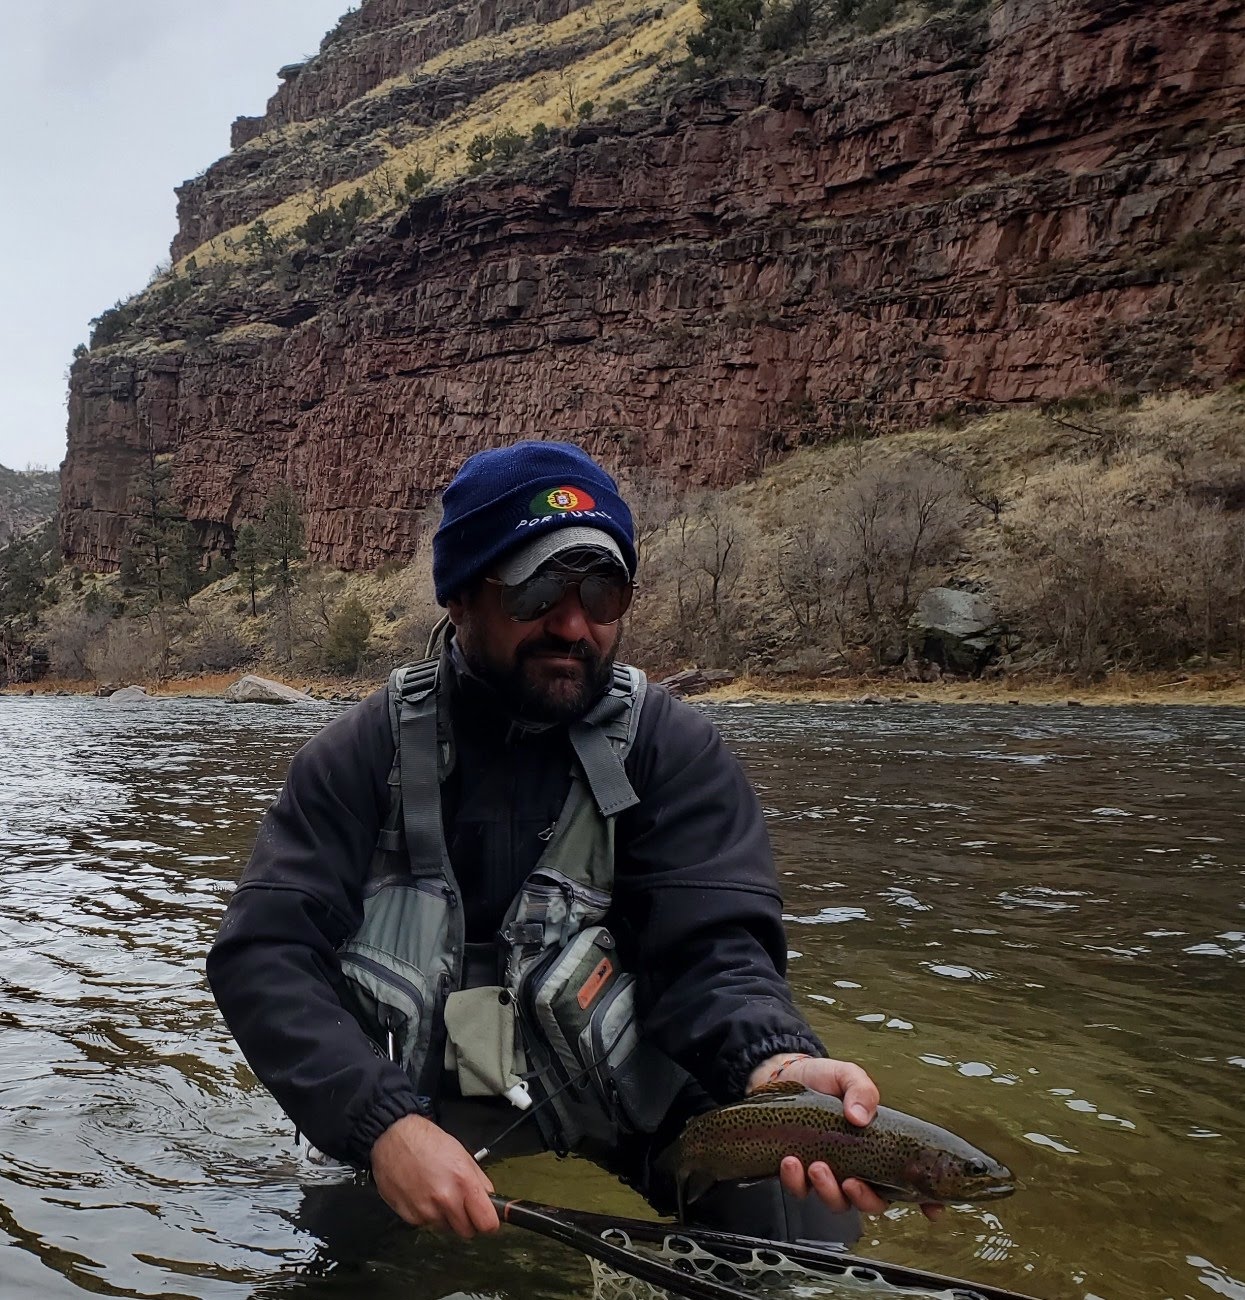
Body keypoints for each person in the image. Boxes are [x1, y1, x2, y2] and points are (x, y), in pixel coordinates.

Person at [207, 440, 929, 1245]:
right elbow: (265, 955)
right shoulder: (357, 754)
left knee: (801, 1219)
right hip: (410, 1093)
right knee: (350, 1255)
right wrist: (378, 1125)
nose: (573, 622)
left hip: (608, 1084)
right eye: (538, 589)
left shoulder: (671, 750)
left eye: (602, 590)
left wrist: (774, 1063)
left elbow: (712, 952)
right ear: (461, 596)